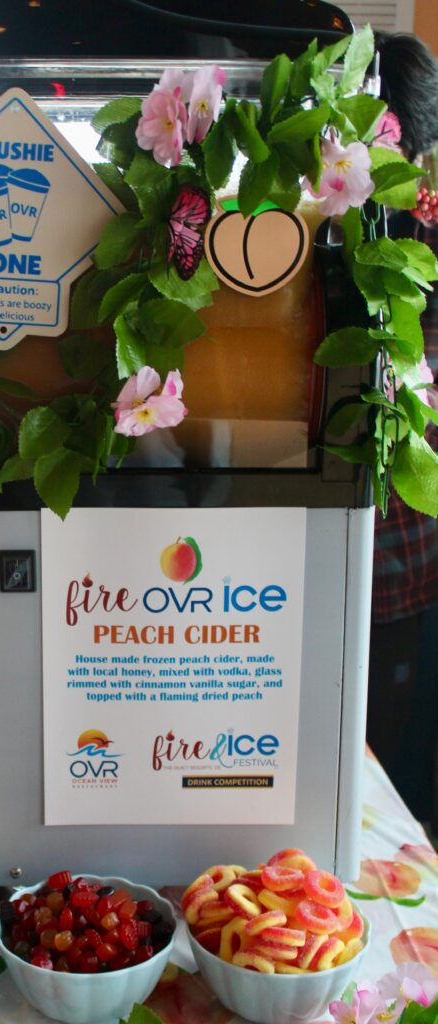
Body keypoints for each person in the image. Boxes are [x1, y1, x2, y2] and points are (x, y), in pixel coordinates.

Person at [366, 33, 438, 824]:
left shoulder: (418, 233)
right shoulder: (321, 214)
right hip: (391, 553)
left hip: (401, 559)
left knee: (384, 775)